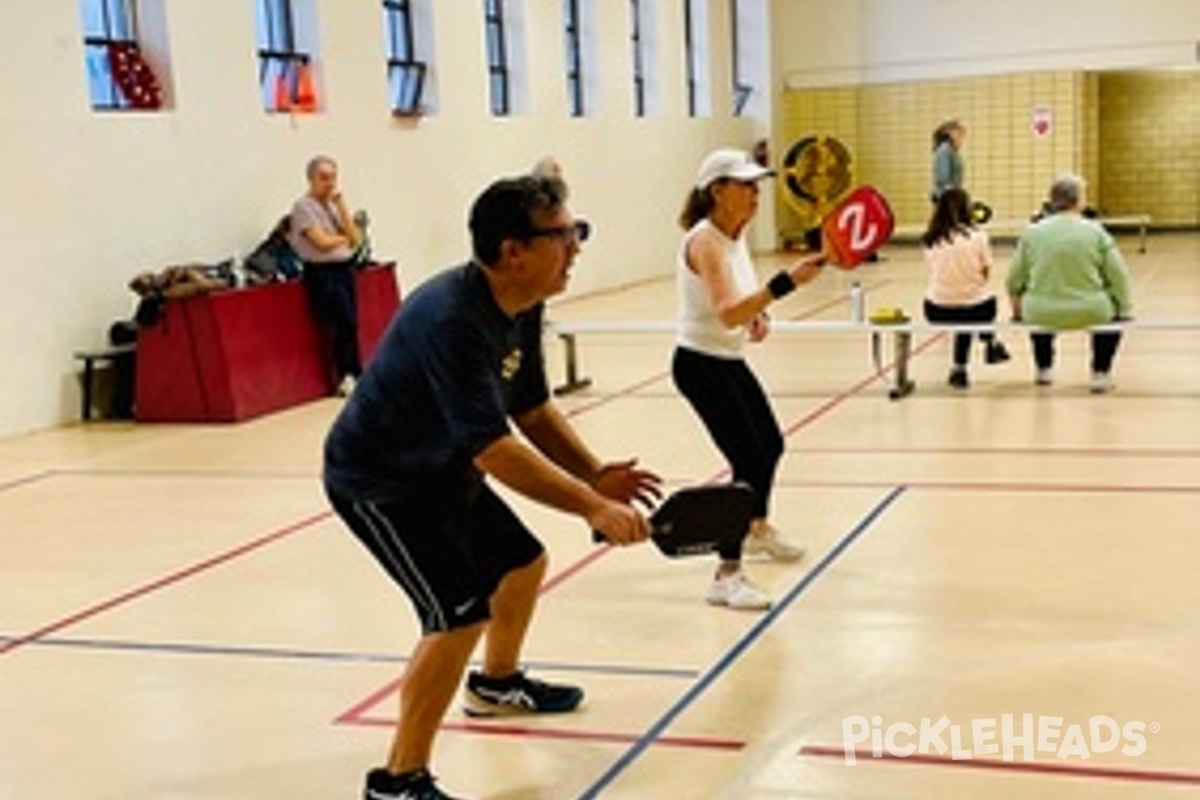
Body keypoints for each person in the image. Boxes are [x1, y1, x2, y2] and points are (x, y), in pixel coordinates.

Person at [324, 175, 662, 800]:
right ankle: (398, 781)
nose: (577, 247)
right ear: (514, 251)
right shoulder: (453, 319)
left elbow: (530, 409)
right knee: (455, 616)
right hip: (381, 480)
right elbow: (495, 449)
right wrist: (592, 506)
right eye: (565, 235)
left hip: (443, 466)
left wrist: (594, 474)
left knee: (522, 563)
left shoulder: (521, 303)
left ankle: (496, 684)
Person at [673, 148, 826, 611]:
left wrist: (756, 317)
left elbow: (740, 307)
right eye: (745, 185)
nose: (756, 193)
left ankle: (756, 528)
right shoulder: (706, 241)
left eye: (757, 184)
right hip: (701, 366)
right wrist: (785, 284)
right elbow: (726, 312)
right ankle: (726, 574)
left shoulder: (735, 236)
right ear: (717, 192)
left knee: (771, 445)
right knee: (746, 463)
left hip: (727, 360)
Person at [1006, 175, 1133, 393]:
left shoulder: (1032, 233)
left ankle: (1043, 368)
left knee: (1038, 301)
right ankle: (1100, 372)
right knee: (1112, 320)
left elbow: (1013, 279)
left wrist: (1017, 307)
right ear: (1079, 201)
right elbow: (1118, 276)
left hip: (1041, 312)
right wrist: (1124, 309)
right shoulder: (1095, 232)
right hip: (1091, 310)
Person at [289, 155, 365, 397]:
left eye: (333, 177)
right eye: (323, 178)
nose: (330, 183)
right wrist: (344, 238)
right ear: (311, 179)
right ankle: (345, 375)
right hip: (323, 272)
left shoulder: (333, 205)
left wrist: (342, 207)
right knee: (340, 323)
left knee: (351, 323)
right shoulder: (303, 207)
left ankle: (356, 371)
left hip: (344, 269)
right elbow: (321, 242)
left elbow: (357, 238)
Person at [922, 188, 1010, 389]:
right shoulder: (978, 235)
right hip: (977, 310)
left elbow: (934, 270)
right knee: (973, 307)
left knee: (963, 309)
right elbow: (986, 273)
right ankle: (988, 342)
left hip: (936, 309)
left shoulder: (930, 238)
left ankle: (962, 367)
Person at [931, 119, 967, 202]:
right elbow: (943, 177)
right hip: (945, 197)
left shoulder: (952, 151)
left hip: (950, 195)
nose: (961, 140)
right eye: (959, 135)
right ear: (951, 135)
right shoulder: (945, 150)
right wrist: (951, 197)